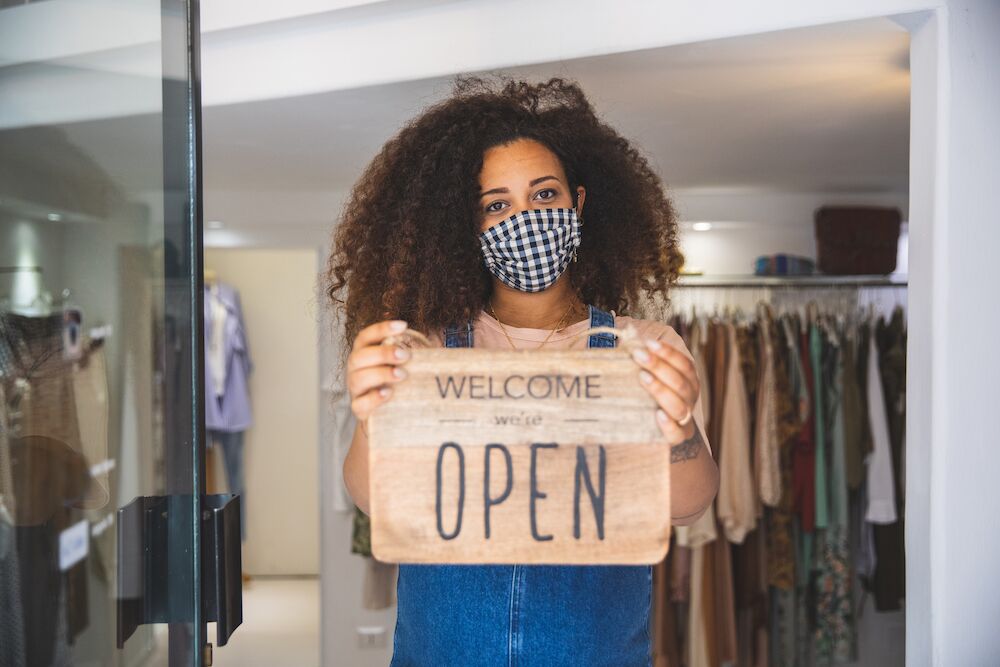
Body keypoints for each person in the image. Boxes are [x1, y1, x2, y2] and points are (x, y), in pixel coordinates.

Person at [326, 77, 719, 667]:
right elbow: (377, 502)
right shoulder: (425, 349)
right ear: (472, 226)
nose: (524, 218)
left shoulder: (646, 349)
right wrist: (371, 417)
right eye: (496, 204)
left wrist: (680, 426)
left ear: (577, 204)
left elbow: (689, 506)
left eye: (543, 195)